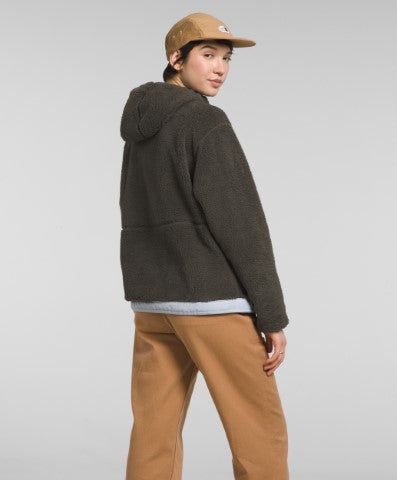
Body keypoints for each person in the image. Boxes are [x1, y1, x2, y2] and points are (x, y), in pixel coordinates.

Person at [119, 12, 290, 480]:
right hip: (211, 303)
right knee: (259, 430)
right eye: (208, 55)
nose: (220, 68)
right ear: (176, 58)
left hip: (154, 303)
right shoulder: (203, 120)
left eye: (227, 59)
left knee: (154, 433)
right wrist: (272, 315)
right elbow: (242, 224)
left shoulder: (141, 127)